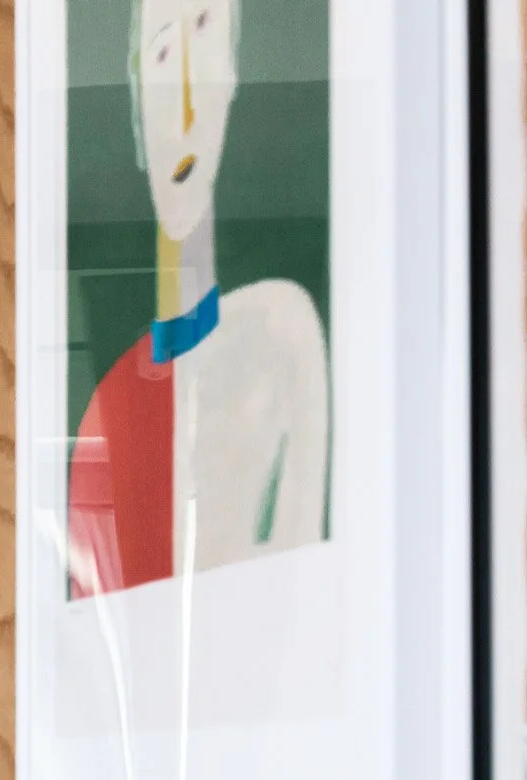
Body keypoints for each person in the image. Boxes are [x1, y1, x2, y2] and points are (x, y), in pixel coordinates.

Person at [67, 0, 329, 598]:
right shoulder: (106, 411)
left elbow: (307, 596)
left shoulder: (280, 328)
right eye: (162, 53)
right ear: (137, 112)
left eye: (205, 29)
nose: (185, 100)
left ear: (233, 71)